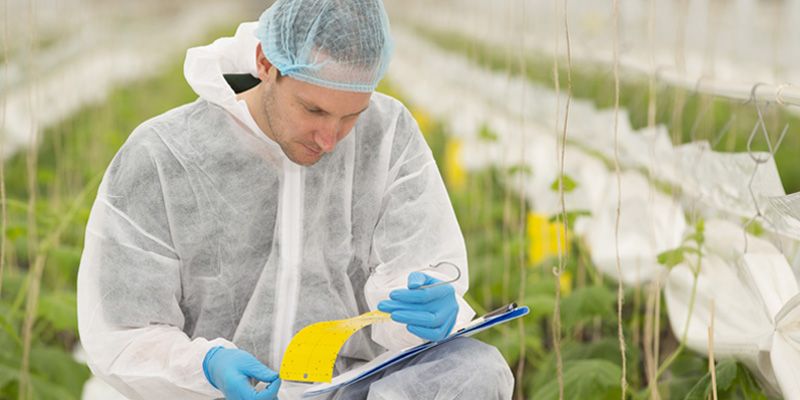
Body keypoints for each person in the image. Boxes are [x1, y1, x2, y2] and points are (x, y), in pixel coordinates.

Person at [77, 0, 514, 399]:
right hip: (217, 393)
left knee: (476, 371)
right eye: (314, 110)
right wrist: (206, 366)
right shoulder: (164, 155)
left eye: (351, 116)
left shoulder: (388, 135)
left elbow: (417, 269)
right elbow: (122, 333)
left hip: (349, 388)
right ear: (267, 63)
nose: (329, 140)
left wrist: (426, 304)